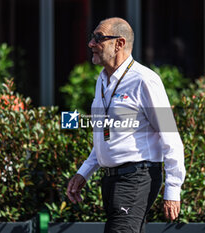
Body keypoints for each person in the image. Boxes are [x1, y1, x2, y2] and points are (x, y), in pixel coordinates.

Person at [67, 17, 186, 233]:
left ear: (119, 43)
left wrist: (173, 190)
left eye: (99, 38)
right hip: (112, 180)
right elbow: (105, 135)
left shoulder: (144, 80)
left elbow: (171, 137)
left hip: (136, 178)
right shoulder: (102, 80)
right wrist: (84, 172)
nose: (91, 44)